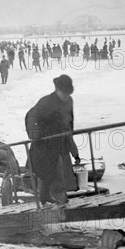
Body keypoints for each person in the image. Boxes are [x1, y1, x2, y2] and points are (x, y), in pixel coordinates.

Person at [25, 75, 80, 206]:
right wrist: (35, 135)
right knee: (50, 172)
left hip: (61, 143)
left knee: (62, 173)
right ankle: (51, 200)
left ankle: (58, 201)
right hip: (45, 144)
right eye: (64, 93)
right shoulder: (46, 102)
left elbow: (69, 125)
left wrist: (74, 152)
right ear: (57, 90)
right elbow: (30, 116)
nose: (66, 96)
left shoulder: (68, 101)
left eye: (68, 93)